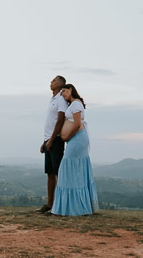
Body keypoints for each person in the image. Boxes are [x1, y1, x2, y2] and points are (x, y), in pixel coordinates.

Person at [50, 83, 98, 216]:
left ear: (71, 90)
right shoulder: (72, 104)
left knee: (67, 166)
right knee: (73, 170)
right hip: (74, 139)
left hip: (77, 139)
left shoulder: (76, 103)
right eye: (62, 93)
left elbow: (77, 124)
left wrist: (66, 136)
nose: (63, 94)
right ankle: (73, 206)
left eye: (64, 91)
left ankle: (75, 207)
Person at [36, 75, 67, 214]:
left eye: (54, 80)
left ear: (60, 84)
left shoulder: (61, 99)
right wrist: (45, 141)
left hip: (56, 140)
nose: (51, 82)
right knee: (49, 173)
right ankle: (50, 204)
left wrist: (52, 139)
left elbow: (60, 121)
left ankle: (60, 205)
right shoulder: (52, 99)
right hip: (48, 139)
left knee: (58, 173)